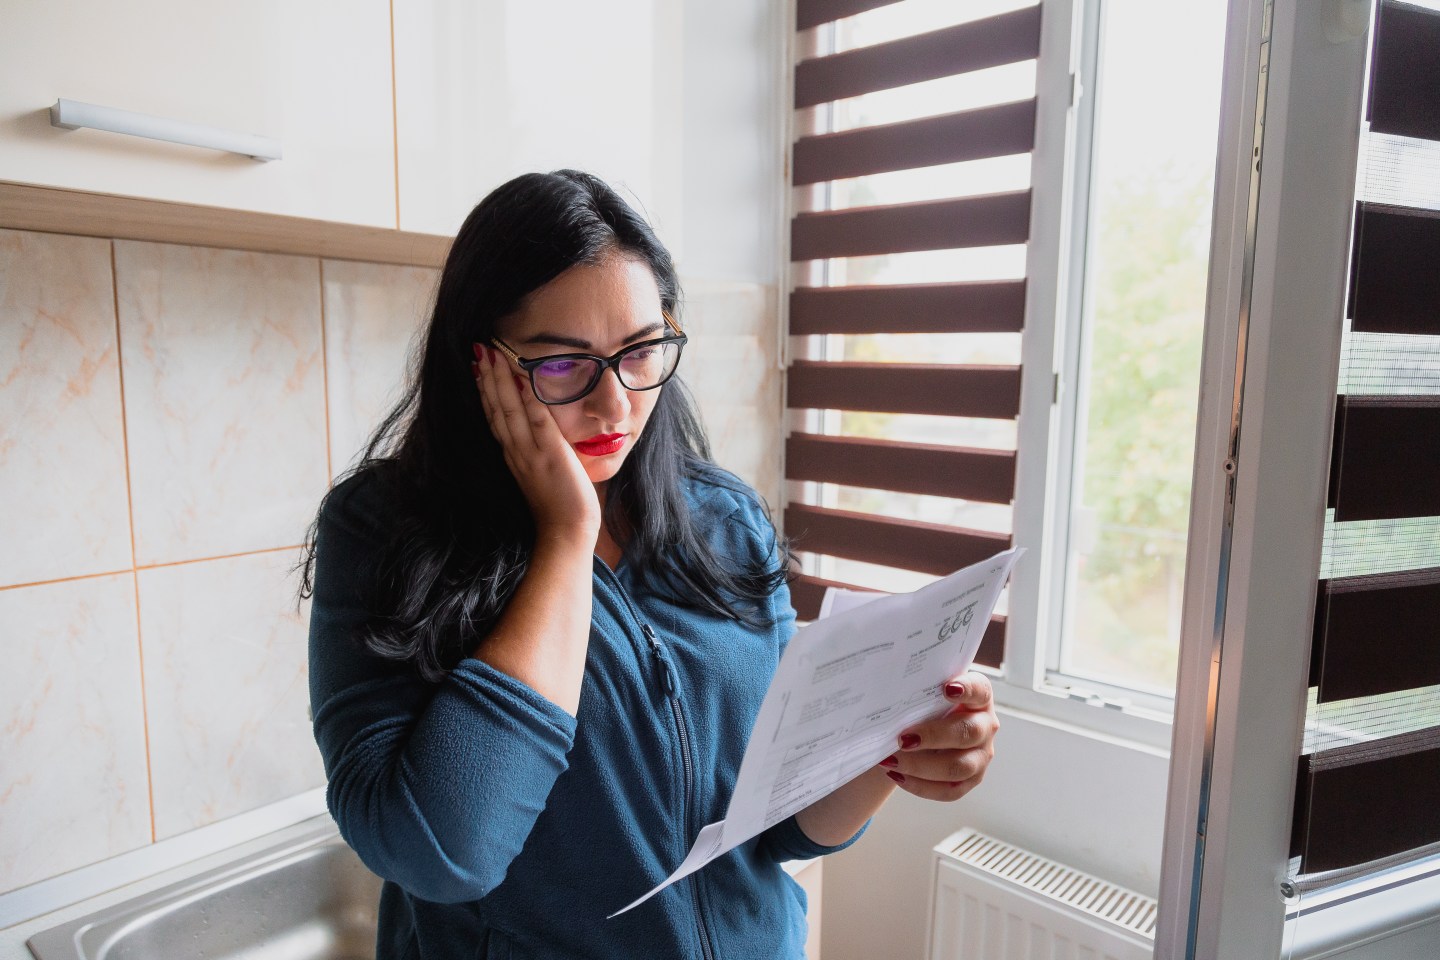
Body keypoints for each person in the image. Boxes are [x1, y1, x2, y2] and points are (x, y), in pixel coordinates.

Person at [299, 169, 999, 960]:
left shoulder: (722, 521)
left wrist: (897, 753)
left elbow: (773, 833)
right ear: (482, 365)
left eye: (639, 352)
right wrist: (566, 536)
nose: (615, 405)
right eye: (563, 364)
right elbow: (444, 852)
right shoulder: (383, 533)